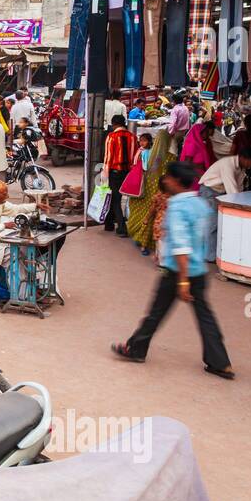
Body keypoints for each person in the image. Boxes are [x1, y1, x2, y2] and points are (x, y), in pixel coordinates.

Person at [112, 162, 235, 379]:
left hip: (177, 272)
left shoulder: (177, 207)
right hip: (199, 271)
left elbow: (181, 246)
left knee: (156, 313)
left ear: (177, 182)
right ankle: (221, 362)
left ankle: (136, 349)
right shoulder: (199, 204)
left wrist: (183, 281)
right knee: (205, 317)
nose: (165, 180)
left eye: (168, 177)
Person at [196, 147, 251, 262]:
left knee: (214, 225)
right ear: (243, 158)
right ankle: (208, 256)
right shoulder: (227, 164)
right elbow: (232, 190)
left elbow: (238, 189)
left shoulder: (241, 169)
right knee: (211, 225)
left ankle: (208, 254)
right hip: (209, 191)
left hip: (220, 193)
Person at [128, 130, 172, 258]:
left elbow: (142, 168)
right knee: (151, 216)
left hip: (143, 189)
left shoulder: (148, 154)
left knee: (144, 215)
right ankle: (144, 243)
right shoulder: (167, 157)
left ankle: (140, 239)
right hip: (156, 191)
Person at [102, 115, 138, 237]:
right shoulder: (132, 137)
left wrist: (105, 174)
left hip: (115, 172)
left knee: (115, 199)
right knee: (117, 198)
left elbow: (108, 157)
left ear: (114, 124)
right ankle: (109, 224)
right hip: (128, 172)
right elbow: (135, 157)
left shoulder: (111, 137)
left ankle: (121, 227)